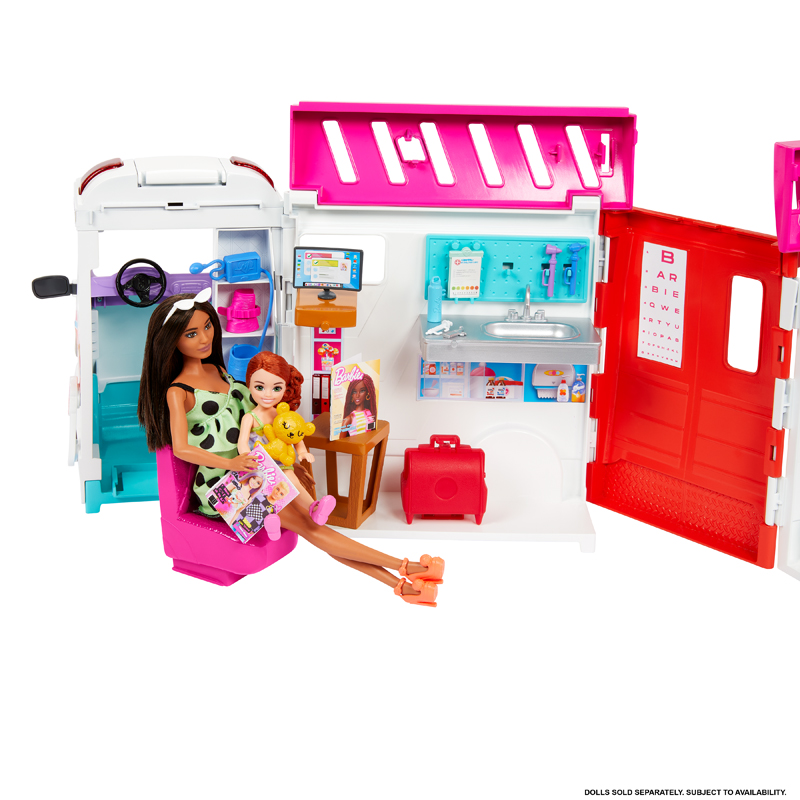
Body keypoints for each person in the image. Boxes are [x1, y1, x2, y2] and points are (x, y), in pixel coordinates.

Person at [138, 291, 444, 605]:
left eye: (207, 326)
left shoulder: (217, 370)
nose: (204, 338)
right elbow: (181, 449)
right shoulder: (178, 391)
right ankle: (407, 570)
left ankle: (403, 584)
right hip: (225, 487)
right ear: (171, 340)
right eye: (191, 334)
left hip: (258, 470)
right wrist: (233, 464)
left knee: (313, 525)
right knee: (312, 529)